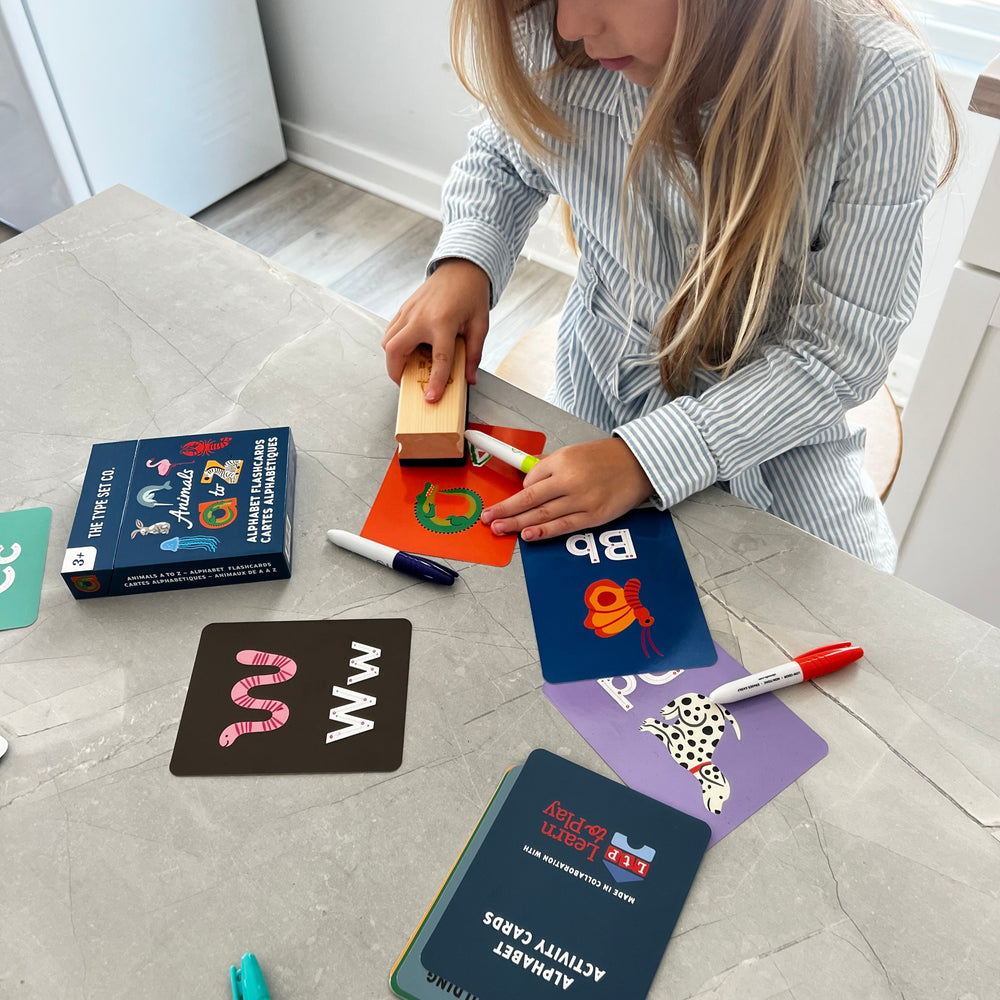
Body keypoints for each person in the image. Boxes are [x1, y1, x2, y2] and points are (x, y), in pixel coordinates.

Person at [381, 0, 958, 571]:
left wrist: (645, 460)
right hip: (596, 388)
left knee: (851, 625)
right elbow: (504, 158)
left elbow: (840, 355)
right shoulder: (552, 32)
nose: (571, 27)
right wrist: (466, 263)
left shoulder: (878, 78)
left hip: (781, 428)